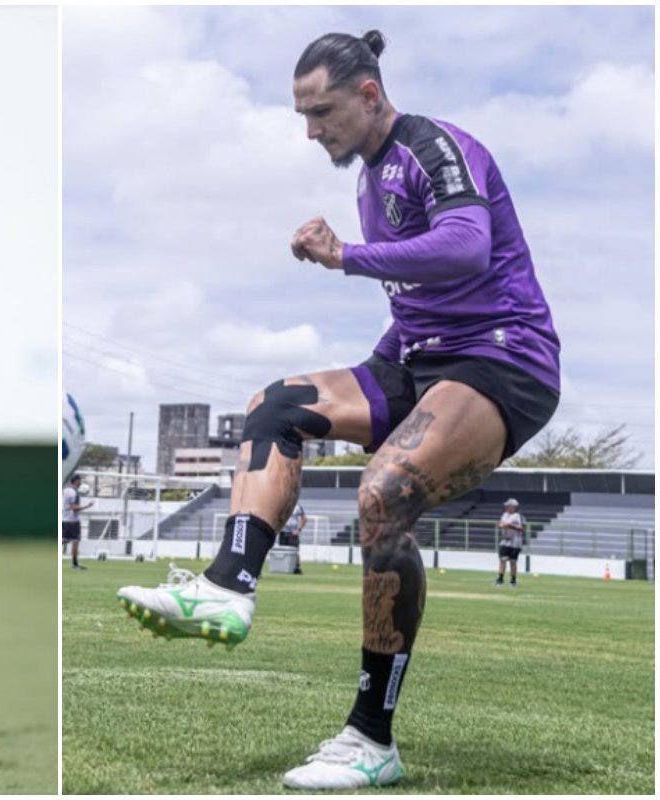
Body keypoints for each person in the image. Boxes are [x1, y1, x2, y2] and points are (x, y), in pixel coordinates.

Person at [117, 29, 560, 790]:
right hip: (420, 359)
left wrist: (345, 256)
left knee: (383, 497)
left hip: (502, 358)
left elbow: (465, 248)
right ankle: (228, 585)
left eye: (321, 112)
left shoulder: (432, 146)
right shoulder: (370, 176)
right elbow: (421, 298)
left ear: (367, 95)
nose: (311, 130)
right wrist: (384, 356)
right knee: (275, 405)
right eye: (302, 115)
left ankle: (370, 737)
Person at [62, 475, 94, 570]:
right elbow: (74, 508)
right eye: (79, 481)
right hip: (72, 521)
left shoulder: (66, 490)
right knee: (75, 541)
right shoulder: (73, 493)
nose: (80, 483)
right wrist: (87, 506)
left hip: (64, 519)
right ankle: (75, 565)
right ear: (76, 481)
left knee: (66, 540)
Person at [494, 498, 525, 587]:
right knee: (502, 560)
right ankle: (500, 578)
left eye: (508, 506)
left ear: (514, 507)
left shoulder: (519, 516)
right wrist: (500, 525)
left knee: (513, 561)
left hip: (515, 542)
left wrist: (511, 526)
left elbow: (522, 528)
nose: (506, 507)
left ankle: (513, 580)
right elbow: (501, 523)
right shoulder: (504, 515)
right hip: (505, 540)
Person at [280, 499, 307, 575]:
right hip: (283, 532)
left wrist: (299, 529)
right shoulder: (283, 506)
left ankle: (297, 567)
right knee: (282, 551)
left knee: (295, 551)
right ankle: (283, 567)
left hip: (293, 533)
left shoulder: (298, 507)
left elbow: (304, 519)